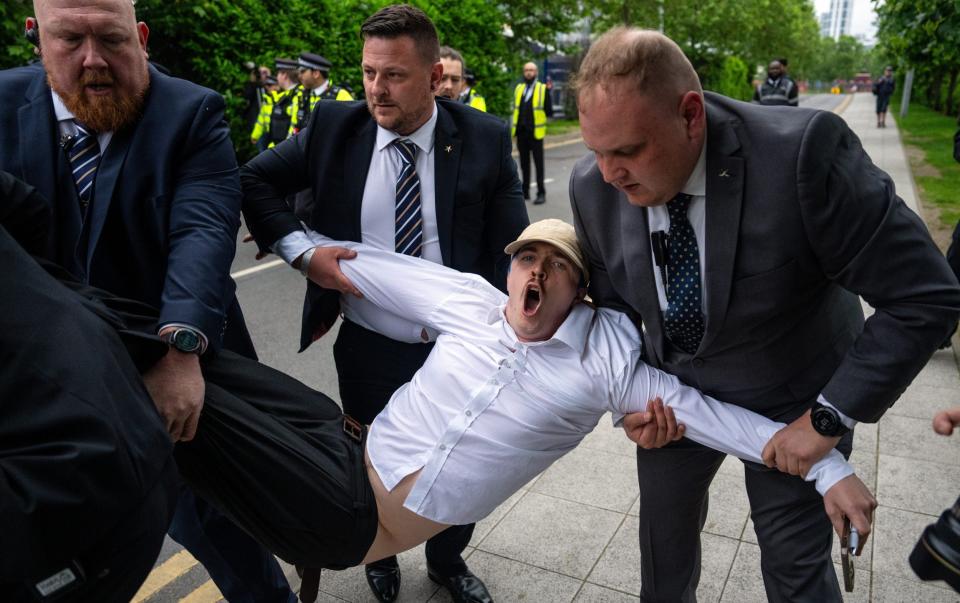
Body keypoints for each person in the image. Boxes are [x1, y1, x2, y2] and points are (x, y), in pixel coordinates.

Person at [174, 220, 876, 599]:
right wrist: (286, 236)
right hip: (338, 440)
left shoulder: (602, 365)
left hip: (349, 519)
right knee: (197, 367)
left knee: (187, 423)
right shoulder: (472, 302)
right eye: (524, 258)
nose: (534, 272)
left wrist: (827, 467)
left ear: (581, 289)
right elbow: (359, 266)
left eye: (555, 264)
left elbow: (714, 414)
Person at [570, 28, 960, 602]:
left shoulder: (803, 156)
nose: (609, 174)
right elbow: (616, 312)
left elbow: (925, 295)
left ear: (691, 116)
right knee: (663, 554)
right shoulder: (591, 186)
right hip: (671, 400)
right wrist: (630, 401)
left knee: (794, 572)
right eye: (596, 151)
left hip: (794, 401)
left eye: (627, 151)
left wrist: (828, 420)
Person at [0, 1, 296, 601]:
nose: (93, 60)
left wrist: (181, 350)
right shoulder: (2, 106)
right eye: (69, 40)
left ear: (140, 35)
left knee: (218, 524)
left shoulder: (192, 110)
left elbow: (203, 233)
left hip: (173, 369)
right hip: (46, 385)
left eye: (110, 39)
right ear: (36, 37)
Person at [241, 5, 528, 602]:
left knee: (461, 462)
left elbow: (513, 248)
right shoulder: (332, 129)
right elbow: (252, 181)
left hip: (456, 350)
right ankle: (381, 555)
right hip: (368, 345)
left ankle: (448, 562)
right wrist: (301, 252)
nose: (377, 88)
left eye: (394, 75)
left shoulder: (483, 138)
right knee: (375, 462)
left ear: (434, 75)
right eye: (370, 71)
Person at [512, 61, 553, 204]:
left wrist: (549, 93)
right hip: (521, 133)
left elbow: (549, 111)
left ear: (536, 72)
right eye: (526, 70)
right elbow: (516, 109)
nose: (528, 72)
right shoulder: (519, 89)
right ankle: (525, 192)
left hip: (536, 133)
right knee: (524, 164)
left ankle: (541, 193)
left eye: (531, 70)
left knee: (538, 164)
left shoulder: (542, 89)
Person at [290, 52, 354, 136]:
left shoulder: (341, 96)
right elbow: (294, 128)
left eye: (303, 71)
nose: (299, 76)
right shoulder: (302, 96)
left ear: (316, 73)